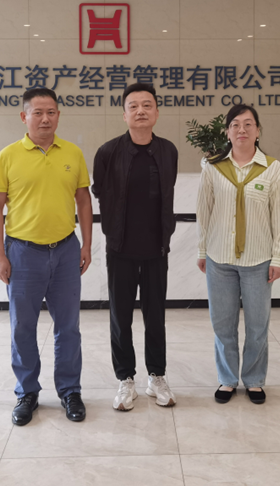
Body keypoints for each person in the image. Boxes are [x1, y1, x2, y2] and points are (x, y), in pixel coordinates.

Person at [0, 87, 93, 426]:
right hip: (22, 253)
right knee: (23, 327)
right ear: (24, 117)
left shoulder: (73, 153)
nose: (45, 118)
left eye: (51, 112)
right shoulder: (8, 156)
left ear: (58, 115)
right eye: (38, 112)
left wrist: (87, 245)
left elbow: (84, 201)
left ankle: (70, 391)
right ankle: (27, 393)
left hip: (65, 250)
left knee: (68, 327)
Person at [92, 83, 178, 411]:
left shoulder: (168, 150)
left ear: (156, 111)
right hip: (120, 248)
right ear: (124, 113)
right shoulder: (108, 152)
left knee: (156, 317)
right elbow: (100, 191)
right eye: (133, 106)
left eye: (147, 105)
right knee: (120, 317)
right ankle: (125, 379)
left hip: (156, 249)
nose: (140, 111)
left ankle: (157, 377)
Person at [196, 104, 280, 405]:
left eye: (248, 124)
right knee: (222, 324)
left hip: (258, 261)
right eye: (235, 124)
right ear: (227, 132)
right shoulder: (212, 168)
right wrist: (202, 250)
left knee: (257, 326)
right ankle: (227, 379)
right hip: (219, 259)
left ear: (258, 131)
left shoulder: (273, 169)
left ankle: (254, 380)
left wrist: (278, 257)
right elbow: (204, 212)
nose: (242, 130)